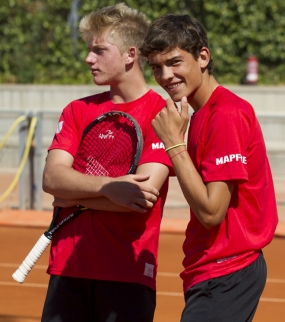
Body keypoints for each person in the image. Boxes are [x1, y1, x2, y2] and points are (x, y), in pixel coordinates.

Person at [140, 14, 278, 322]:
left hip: (228, 269)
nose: (165, 75)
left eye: (175, 62)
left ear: (203, 56)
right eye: (156, 67)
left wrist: (174, 144)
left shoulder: (225, 114)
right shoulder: (201, 113)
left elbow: (212, 211)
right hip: (214, 269)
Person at [41, 3, 172, 322]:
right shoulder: (76, 110)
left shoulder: (163, 114)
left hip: (128, 275)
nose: (88, 59)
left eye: (99, 50)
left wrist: (72, 195)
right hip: (67, 268)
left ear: (130, 54)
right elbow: (52, 179)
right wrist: (109, 188)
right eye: (89, 50)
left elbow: (140, 198)